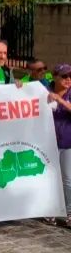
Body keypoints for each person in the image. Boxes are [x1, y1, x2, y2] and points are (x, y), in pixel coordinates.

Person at [47, 64, 71, 227]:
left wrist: (59, 99)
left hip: (68, 142)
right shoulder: (45, 89)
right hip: (48, 142)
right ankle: (51, 210)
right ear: (55, 77)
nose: (68, 79)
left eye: (70, 76)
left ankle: (69, 213)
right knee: (49, 178)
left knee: (68, 179)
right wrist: (20, 85)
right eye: (64, 76)